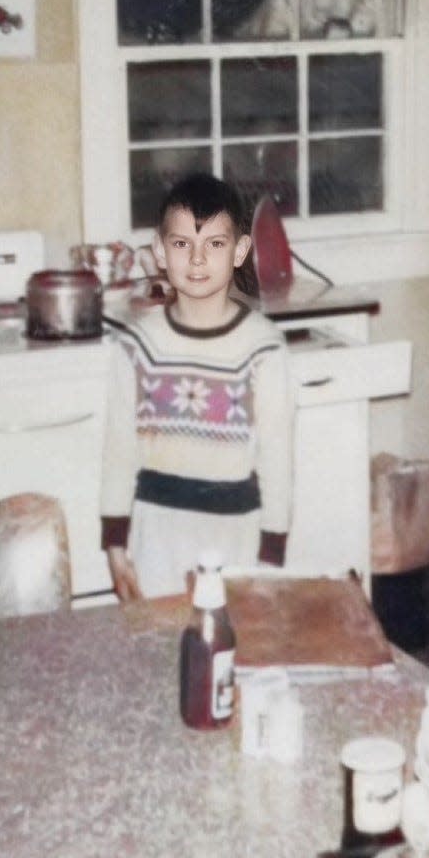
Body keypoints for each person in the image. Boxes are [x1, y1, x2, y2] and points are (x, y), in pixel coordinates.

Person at [100, 173, 294, 599]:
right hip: (154, 538)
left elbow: (276, 459)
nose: (198, 260)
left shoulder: (263, 348)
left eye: (216, 245)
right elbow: (118, 449)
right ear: (159, 252)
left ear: (240, 251)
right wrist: (115, 543)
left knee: (229, 650)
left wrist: (271, 553)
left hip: (237, 537)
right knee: (159, 652)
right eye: (183, 244)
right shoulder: (135, 345)